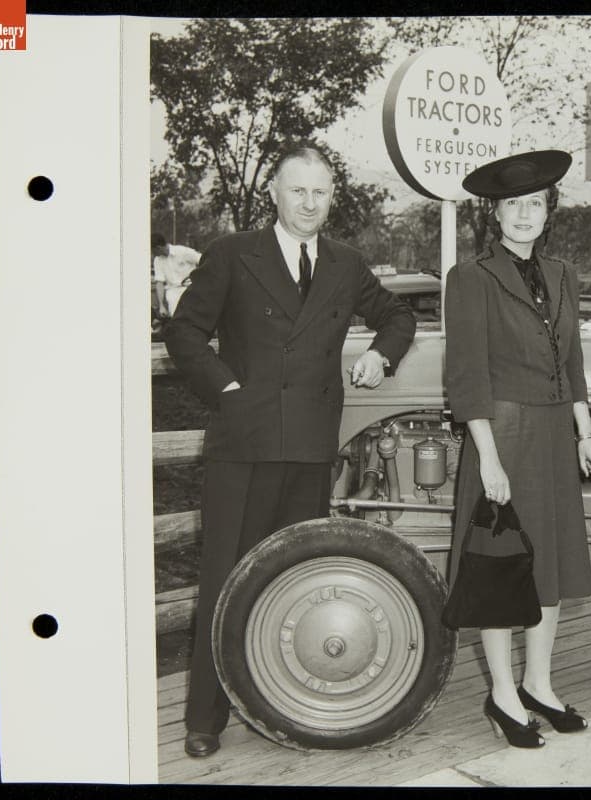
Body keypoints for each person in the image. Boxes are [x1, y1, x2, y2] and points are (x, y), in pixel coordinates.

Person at [163, 144, 417, 758]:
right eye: (297, 190)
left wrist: (380, 353)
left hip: (308, 446)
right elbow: (184, 331)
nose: (309, 203)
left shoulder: (346, 262)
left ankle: (284, 704)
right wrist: (225, 385)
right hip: (243, 444)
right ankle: (206, 719)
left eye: (321, 192)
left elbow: (398, 316)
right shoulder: (230, 254)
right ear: (273, 193)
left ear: (332, 198)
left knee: (295, 581)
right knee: (226, 576)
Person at [445, 150, 591, 748]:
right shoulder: (471, 278)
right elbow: (467, 377)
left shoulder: (564, 274)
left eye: (533, 203)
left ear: (548, 211)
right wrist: (487, 456)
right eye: (511, 204)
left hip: (553, 440)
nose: (523, 214)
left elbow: (573, 364)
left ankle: (538, 682)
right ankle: (502, 695)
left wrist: (585, 434)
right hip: (503, 437)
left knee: (550, 566)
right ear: (495, 213)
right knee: (500, 570)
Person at [153, 235, 202, 318]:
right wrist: (161, 306)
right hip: (172, 291)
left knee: (195, 316)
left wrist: (199, 276)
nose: (152, 253)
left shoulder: (182, 251)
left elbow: (203, 260)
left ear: (158, 248)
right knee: (176, 317)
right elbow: (159, 282)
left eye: (152, 251)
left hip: (191, 288)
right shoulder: (157, 260)